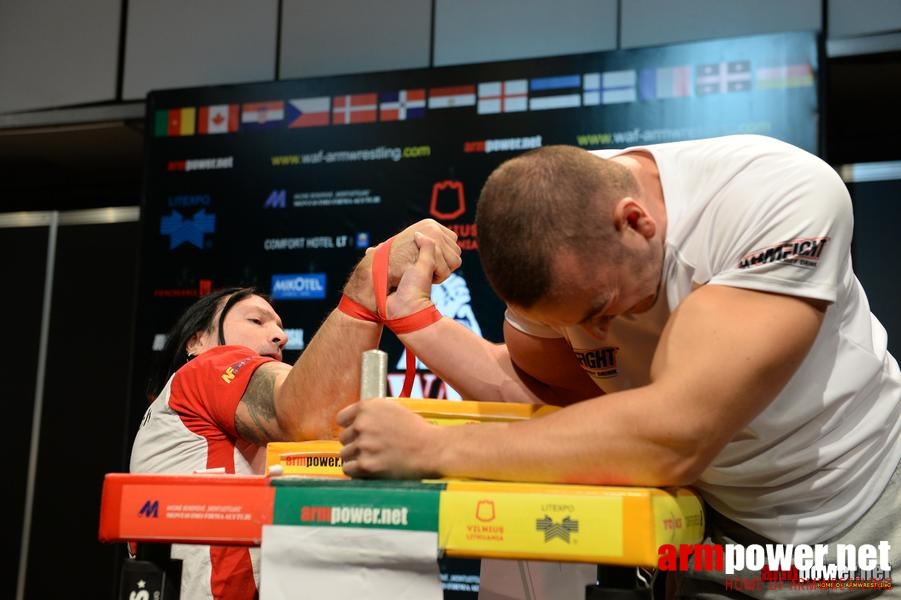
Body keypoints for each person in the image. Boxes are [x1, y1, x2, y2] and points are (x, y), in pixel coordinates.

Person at [336, 135, 901, 597]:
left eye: (600, 310)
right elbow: (559, 414)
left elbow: (675, 437)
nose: (601, 334)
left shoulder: (776, 195)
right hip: (722, 544)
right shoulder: (557, 248)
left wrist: (433, 449)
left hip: (867, 516)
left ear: (636, 222)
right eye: (577, 322)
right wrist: (414, 317)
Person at [129, 219, 462, 600]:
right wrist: (368, 282)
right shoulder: (205, 370)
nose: (280, 335)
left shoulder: (197, 414)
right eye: (255, 320)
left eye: (279, 325)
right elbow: (306, 414)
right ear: (198, 340)